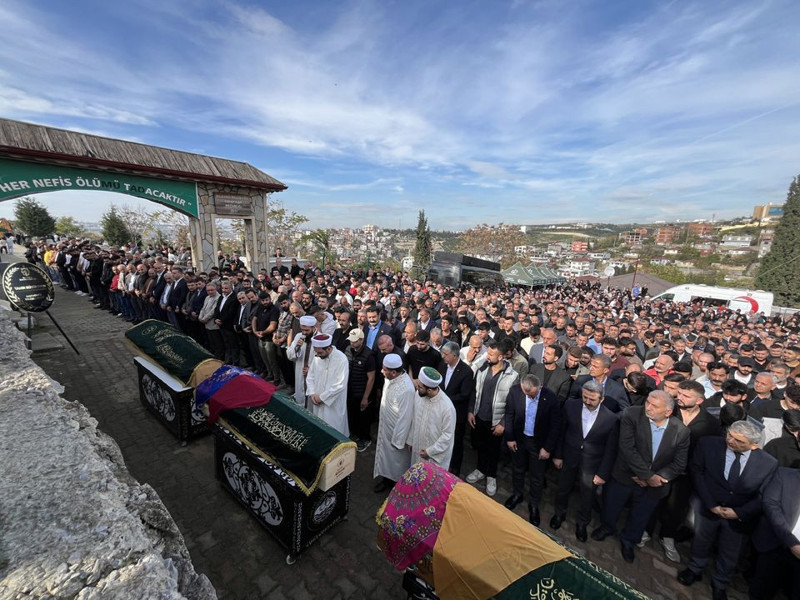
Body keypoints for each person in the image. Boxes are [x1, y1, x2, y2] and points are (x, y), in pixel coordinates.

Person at [678, 420, 778, 600]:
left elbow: (765, 495)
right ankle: (694, 569)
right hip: (708, 508)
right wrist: (710, 503)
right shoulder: (708, 444)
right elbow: (697, 471)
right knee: (701, 541)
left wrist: (739, 512)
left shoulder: (769, 463)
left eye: (739, 441)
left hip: (739, 518)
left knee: (730, 552)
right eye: (729, 435)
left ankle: (720, 583)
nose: (730, 441)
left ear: (754, 445)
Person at [591, 391, 690, 564]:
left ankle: (628, 541)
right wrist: (647, 475)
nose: (648, 407)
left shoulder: (681, 431)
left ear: (667, 412)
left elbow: (679, 464)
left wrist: (655, 478)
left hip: (654, 485)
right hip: (625, 475)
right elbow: (627, 448)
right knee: (611, 506)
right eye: (647, 402)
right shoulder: (632, 414)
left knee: (641, 516)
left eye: (654, 406)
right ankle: (607, 527)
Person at [551, 380, 619, 542]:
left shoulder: (611, 419)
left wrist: (603, 473)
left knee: (587, 495)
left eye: (592, 399)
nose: (587, 402)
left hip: (592, 464)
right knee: (563, 488)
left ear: (601, 399)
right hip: (569, 456)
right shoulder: (571, 405)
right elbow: (562, 431)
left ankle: (582, 523)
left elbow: (611, 449)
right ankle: (559, 514)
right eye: (585, 397)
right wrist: (558, 455)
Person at [502, 374, 562, 525]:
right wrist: (509, 438)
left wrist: (547, 448)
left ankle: (534, 504)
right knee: (518, 469)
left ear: (539, 387)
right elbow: (509, 415)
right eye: (526, 393)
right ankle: (517, 494)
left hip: (539, 445)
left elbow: (556, 426)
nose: (528, 396)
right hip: (519, 439)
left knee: (537, 476)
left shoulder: (551, 398)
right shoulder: (515, 391)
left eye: (532, 394)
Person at [466, 341, 519, 496]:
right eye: (487, 353)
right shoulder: (482, 368)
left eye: (490, 354)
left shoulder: (512, 376)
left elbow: (512, 404)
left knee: (494, 450)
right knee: (481, 446)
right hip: (480, 416)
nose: (486, 356)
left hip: (496, 421)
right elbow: (474, 392)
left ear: (501, 356)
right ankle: (480, 469)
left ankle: (491, 476)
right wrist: (471, 411)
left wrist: (503, 423)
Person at [749, 467, 800, 600]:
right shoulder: (784, 475)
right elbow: (770, 504)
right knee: (761, 591)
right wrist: (791, 542)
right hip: (775, 545)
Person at [373, 354, 415, 493]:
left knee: (396, 462)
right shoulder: (390, 378)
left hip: (396, 434)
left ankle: (395, 486)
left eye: (384, 370)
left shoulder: (406, 389)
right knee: (385, 458)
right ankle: (385, 479)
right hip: (385, 427)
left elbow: (406, 417)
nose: (381, 371)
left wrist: (398, 441)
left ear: (394, 372)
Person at [437, 341, 475, 478]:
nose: (443, 357)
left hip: (456, 413)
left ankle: (455, 468)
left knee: (456, 442)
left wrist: (444, 398)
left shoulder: (466, 371)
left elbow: (465, 394)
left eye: (445, 354)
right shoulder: (442, 365)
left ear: (454, 355)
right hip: (440, 410)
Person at [407, 367, 456, 469]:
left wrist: (430, 452)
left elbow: (447, 435)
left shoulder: (447, 407)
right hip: (417, 448)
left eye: (420, 387)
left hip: (433, 456)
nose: (417, 388)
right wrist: (411, 440)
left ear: (429, 390)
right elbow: (414, 418)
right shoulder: (419, 394)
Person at [305, 334, 350, 436]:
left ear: (329, 348)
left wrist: (322, 398)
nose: (317, 354)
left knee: (334, 431)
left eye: (320, 352)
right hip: (316, 400)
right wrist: (312, 393)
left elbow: (340, 385)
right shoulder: (318, 356)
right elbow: (310, 376)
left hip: (333, 404)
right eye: (316, 352)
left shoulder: (341, 359)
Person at [344, 328, 377, 452]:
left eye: (354, 341)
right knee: (352, 415)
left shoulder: (369, 355)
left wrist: (365, 397)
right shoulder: (348, 350)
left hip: (362, 392)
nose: (352, 343)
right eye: (350, 341)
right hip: (350, 390)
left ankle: (365, 439)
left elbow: (371, 378)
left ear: (362, 340)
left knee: (363, 418)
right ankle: (354, 435)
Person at [286, 315, 317, 405]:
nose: (304, 333)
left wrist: (311, 370)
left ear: (313, 328)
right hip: (300, 373)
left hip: (313, 375)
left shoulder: (320, 338)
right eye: (302, 330)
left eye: (307, 330)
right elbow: (290, 356)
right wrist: (297, 347)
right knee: (301, 399)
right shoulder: (298, 336)